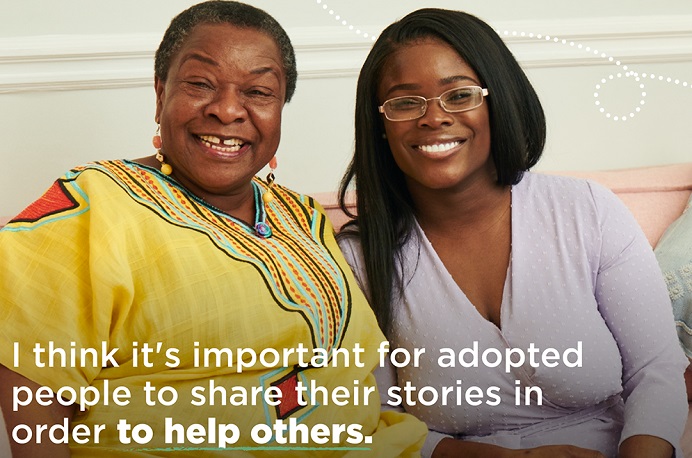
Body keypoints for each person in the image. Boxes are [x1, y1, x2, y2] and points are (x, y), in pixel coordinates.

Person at [0, 2, 426, 456]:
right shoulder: (91, 209)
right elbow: (36, 402)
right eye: (200, 84)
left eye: (258, 92)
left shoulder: (302, 217)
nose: (226, 110)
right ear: (160, 93)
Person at [337, 7, 688, 458]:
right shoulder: (358, 258)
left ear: (497, 100)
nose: (433, 118)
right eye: (406, 102)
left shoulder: (587, 210)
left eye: (459, 95)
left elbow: (656, 373)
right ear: (381, 125)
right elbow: (377, 420)